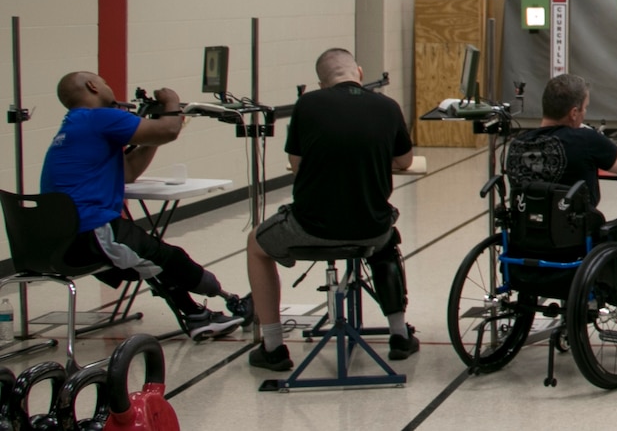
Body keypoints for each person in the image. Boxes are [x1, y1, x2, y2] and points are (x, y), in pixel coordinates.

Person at [40, 72, 251, 339]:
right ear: (92, 86)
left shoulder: (75, 125)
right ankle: (221, 296)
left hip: (68, 237)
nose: (108, 85)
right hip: (91, 229)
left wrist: (156, 134)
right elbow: (169, 131)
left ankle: (196, 316)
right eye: (104, 81)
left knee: (149, 260)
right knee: (170, 258)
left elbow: (128, 172)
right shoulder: (98, 117)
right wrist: (171, 102)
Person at [246, 49, 417, 371]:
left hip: (311, 227)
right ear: (360, 72)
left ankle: (272, 346)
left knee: (256, 245)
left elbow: (297, 165)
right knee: (387, 239)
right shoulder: (387, 106)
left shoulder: (307, 105)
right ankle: (399, 334)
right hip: (372, 228)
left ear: (322, 83)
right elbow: (405, 161)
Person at [505, 74, 617, 244]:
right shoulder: (585, 139)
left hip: (525, 241)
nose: (585, 113)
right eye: (585, 108)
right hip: (574, 243)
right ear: (574, 113)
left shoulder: (517, 145)